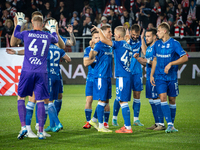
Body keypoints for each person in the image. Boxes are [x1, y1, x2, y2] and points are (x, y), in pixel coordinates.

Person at [14, 12, 58, 139]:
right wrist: (53, 29)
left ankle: (23, 128)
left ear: (32, 23)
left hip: (27, 70)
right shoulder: (47, 35)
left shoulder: (26, 33)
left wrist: (20, 24)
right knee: (40, 100)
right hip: (41, 72)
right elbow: (55, 39)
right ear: (43, 24)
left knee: (21, 97)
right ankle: (40, 131)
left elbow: (16, 34)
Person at [92, 25, 133, 133]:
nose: (113, 35)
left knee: (122, 101)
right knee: (122, 100)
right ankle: (125, 126)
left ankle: (127, 127)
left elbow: (104, 40)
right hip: (127, 75)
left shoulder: (118, 44)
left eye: (114, 33)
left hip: (122, 76)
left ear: (118, 35)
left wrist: (99, 30)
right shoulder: (128, 46)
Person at [150, 22, 188, 133]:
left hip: (171, 77)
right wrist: (152, 74)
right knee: (163, 98)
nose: (157, 33)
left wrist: (171, 63)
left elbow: (185, 58)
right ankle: (170, 125)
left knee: (172, 99)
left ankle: (171, 123)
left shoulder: (174, 43)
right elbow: (155, 60)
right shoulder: (156, 44)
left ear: (164, 31)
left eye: (158, 31)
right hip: (160, 77)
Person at [112, 24, 145, 127]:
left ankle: (136, 119)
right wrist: (127, 39)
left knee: (137, 95)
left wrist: (142, 38)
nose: (135, 36)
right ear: (130, 32)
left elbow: (145, 52)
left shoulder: (140, 40)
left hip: (137, 71)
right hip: (126, 72)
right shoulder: (126, 41)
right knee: (120, 96)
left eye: (137, 34)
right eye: (133, 34)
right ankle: (114, 118)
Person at [133, 28, 165, 130]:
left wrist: (145, 60)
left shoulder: (157, 47)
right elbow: (146, 61)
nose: (147, 38)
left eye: (148, 36)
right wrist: (139, 59)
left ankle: (162, 124)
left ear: (154, 37)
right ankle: (156, 123)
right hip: (148, 78)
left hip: (155, 77)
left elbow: (155, 62)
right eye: (146, 36)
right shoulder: (150, 48)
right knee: (152, 101)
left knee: (156, 100)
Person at [82, 31, 110, 129]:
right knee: (89, 100)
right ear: (92, 39)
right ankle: (88, 122)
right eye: (95, 38)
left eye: (99, 37)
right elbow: (85, 63)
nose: (97, 39)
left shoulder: (104, 47)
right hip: (91, 78)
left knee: (104, 100)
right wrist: (95, 59)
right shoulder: (88, 49)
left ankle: (105, 122)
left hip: (101, 77)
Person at [88, 25, 112, 132]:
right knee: (102, 100)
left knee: (105, 100)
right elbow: (91, 57)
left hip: (107, 77)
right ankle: (101, 126)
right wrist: (92, 48)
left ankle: (93, 119)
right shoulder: (99, 45)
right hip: (101, 76)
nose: (111, 34)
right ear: (103, 33)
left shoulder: (109, 46)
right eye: (109, 32)